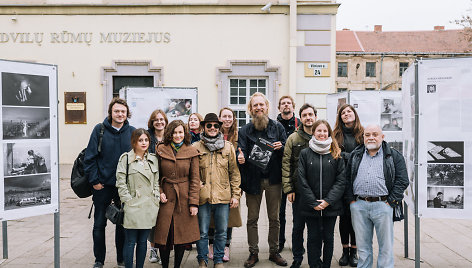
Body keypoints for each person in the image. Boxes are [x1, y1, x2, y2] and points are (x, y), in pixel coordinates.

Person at [345, 124, 409, 268]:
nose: (371, 137)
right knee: (362, 246)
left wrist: (391, 202)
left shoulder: (393, 155)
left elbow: (403, 180)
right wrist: (351, 201)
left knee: (386, 247)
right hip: (359, 205)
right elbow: (347, 178)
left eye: (375, 134)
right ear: (363, 137)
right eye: (367, 135)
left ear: (382, 137)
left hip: (383, 205)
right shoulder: (356, 154)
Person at [84, 97, 135, 268]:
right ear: (111, 113)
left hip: (124, 188)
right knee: (99, 224)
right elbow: (89, 158)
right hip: (102, 186)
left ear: (127, 113)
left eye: (123, 111)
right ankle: (99, 260)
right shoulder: (99, 130)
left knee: (122, 225)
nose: (120, 114)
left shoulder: (133, 132)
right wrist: (94, 181)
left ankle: (121, 259)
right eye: (117, 111)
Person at [238, 92, 288, 267]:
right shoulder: (244, 130)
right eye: (255, 105)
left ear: (267, 107)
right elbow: (241, 151)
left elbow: (287, 154)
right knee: (252, 219)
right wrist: (241, 157)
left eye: (261, 104)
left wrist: (281, 147)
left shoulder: (278, 128)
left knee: (274, 218)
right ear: (250, 110)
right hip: (253, 181)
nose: (258, 108)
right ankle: (253, 253)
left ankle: (274, 252)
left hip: (274, 180)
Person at [193, 113, 242, 268]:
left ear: (219, 127)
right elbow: (191, 173)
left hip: (223, 196)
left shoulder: (228, 147)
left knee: (221, 231)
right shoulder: (195, 147)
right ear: (204, 127)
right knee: (202, 232)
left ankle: (219, 260)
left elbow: (234, 172)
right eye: (209, 125)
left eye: (215, 125)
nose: (213, 128)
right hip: (203, 197)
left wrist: (236, 195)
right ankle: (202, 259)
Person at [297, 120, 345, 268]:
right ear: (313, 133)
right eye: (319, 131)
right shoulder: (305, 153)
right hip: (310, 206)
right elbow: (301, 179)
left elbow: (341, 180)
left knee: (329, 238)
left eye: (325, 131)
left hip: (331, 205)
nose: (322, 134)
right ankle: (314, 264)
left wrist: (328, 201)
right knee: (313, 238)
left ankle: (326, 265)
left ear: (329, 133)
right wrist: (313, 202)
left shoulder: (336, 153)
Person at [153, 120, 200, 268]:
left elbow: (195, 179)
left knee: (181, 236)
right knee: (164, 236)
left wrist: (193, 203)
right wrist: (159, 192)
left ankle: (177, 266)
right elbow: (155, 175)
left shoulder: (191, 151)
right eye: (174, 132)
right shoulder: (161, 149)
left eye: (180, 132)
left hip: (183, 198)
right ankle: (165, 265)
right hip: (165, 198)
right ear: (169, 133)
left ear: (184, 133)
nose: (177, 135)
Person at [116, 128, 160, 268]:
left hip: (148, 206)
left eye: (146, 140)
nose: (143, 143)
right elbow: (120, 182)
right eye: (140, 140)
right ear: (134, 142)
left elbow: (156, 182)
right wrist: (127, 200)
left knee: (142, 242)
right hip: (133, 206)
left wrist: (156, 197)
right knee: (130, 242)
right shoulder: (126, 159)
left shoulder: (153, 159)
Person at [281, 103, 317, 268]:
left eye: (311, 114)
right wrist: (289, 189)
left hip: (318, 191)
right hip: (299, 191)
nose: (308, 118)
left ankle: (315, 258)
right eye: (305, 115)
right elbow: (286, 164)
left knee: (315, 229)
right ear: (300, 118)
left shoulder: (322, 135)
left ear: (315, 116)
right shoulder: (293, 139)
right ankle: (297, 257)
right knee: (298, 227)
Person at [207, 107, 242, 262]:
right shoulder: (212, 133)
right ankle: (212, 245)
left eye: (230, 116)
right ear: (219, 118)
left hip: (231, 183)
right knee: (212, 217)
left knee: (229, 217)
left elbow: (240, 159)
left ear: (233, 119)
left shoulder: (239, 136)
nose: (227, 119)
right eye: (224, 116)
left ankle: (226, 246)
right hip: (212, 183)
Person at [332, 104, 364, 267]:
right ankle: (345, 251)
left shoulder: (363, 133)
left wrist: (347, 156)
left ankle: (354, 251)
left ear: (354, 114)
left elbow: (366, 153)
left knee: (356, 218)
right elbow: (334, 154)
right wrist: (351, 155)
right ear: (340, 117)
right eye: (343, 113)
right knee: (344, 218)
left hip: (359, 181)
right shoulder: (336, 134)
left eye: (349, 111)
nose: (346, 114)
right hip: (342, 181)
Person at [276, 95, 300, 252]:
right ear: (279, 108)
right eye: (283, 103)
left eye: (288, 103)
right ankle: (280, 242)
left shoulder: (300, 124)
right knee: (280, 213)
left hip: (297, 174)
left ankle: (297, 242)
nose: (286, 105)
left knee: (298, 212)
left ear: (293, 106)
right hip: (279, 174)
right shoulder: (273, 125)